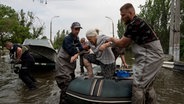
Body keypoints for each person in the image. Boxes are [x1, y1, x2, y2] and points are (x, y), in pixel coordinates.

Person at [106, 3, 164, 104]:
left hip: (149, 56)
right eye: (121, 15)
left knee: (138, 86)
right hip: (155, 56)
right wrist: (113, 45)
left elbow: (122, 43)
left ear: (131, 12)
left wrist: (111, 39)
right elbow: (127, 44)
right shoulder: (139, 22)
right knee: (148, 86)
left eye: (123, 15)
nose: (121, 17)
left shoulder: (134, 24)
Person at [55, 22, 90, 104]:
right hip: (62, 63)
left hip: (70, 64)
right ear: (71, 29)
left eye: (79, 29)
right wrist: (83, 47)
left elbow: (80, 49)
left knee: (71, 80)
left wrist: (84, 48)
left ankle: (68, 98)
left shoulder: (76, 38)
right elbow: (72, 51)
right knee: (65, 83)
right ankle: (63, 101)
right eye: (76, 29)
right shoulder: (67, 38)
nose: (77, 31)